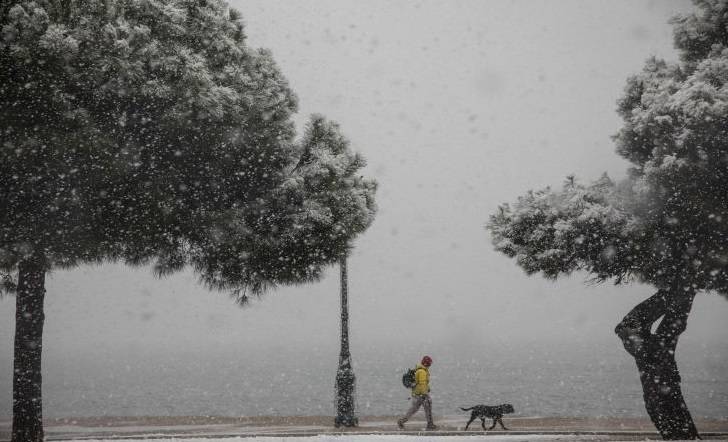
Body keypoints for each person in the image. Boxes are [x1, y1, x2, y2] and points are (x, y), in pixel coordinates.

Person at [398, 355, 437, 430]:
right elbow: (422, 384)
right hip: (421, 394)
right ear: (426, 363)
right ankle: (430, 424)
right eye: (429, 363)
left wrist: (427, 388)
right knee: (428, 409)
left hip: (416, 394)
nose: (430, 365)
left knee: (413, 410)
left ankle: (402, 421)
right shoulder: (422, 371)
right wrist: (425, 393)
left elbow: (422, 383)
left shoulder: (419, 370)